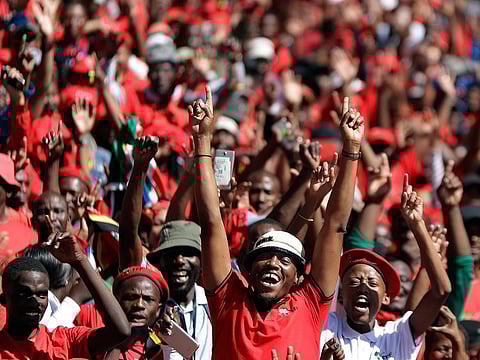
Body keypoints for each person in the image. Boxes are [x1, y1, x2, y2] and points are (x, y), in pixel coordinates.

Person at [191, 87, 364, 359]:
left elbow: (335, 226)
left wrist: (352, 150)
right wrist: (202, 141)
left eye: (285, 261)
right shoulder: (228, 299)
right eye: (265, 257)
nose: (273, 263)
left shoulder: (310, 302)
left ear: (298, 277)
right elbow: (212, 223)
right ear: (247, 269)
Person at [320, 174, 452, 360]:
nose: (363, 287)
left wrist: (417, 224)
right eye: (355, 281)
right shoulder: (327, 328)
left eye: (372, 282)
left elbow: (441, 291)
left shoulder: (398, 336)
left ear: (386, 297)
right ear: (340, 294)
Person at [118, 136, 213, 360]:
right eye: (171, 254)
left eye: (188, 253)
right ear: (158, 261)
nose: (179, 260)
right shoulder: (146, 300)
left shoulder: (214, 302)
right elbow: (128, 233)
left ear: (202, 260)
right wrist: (140, 169)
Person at [0, 225, 130, 359]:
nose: (35, 301)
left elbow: (120, 331)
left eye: (42, 294)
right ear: (4, 299)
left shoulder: (64, 341)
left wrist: (80, 261)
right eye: (25, 293)